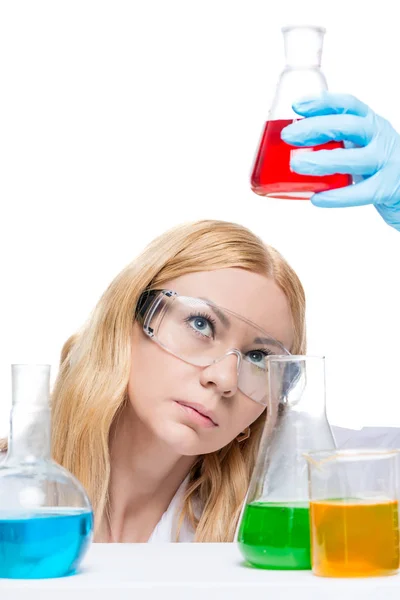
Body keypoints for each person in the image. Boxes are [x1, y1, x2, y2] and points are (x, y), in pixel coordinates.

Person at [2, 93, 400, 544]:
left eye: (258, 358)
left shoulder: (298, 490)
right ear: (125, 323)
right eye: (200, 325)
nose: (225, 378)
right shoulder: (10, 496)